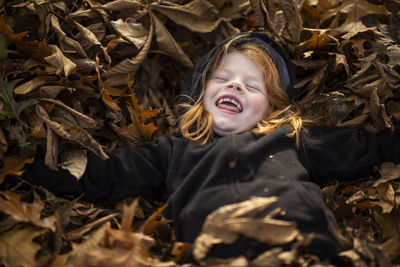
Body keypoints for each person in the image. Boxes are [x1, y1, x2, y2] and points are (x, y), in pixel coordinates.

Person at [10, 32, 400, 264]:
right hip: (218, 252)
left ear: (273, 108)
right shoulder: (173, 151)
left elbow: (364, 149)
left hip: (302, 240)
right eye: (225, 78)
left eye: (253, 86)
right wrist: (24, 170)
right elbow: (105, 173)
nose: (236, 87)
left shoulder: (293, 139)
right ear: (198, 95)